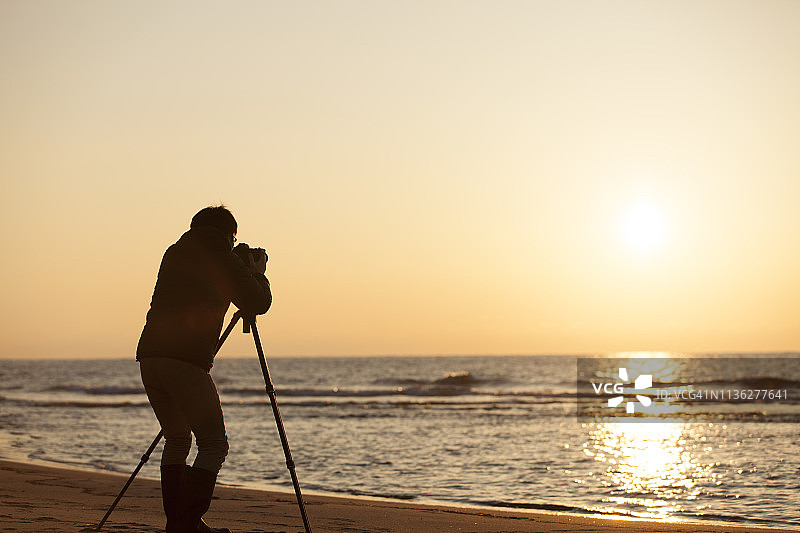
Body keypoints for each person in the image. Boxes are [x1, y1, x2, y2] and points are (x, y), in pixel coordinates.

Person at [136, 206, 271, 533]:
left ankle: (182, 524)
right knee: (213, 444)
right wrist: (256, 271)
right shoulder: (218, 255)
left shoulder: (175, 251)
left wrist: (237, 261)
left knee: (178, 438)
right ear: (228, 234)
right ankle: (185, 525)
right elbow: (257, 302)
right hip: (185, 362)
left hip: (151, 358)